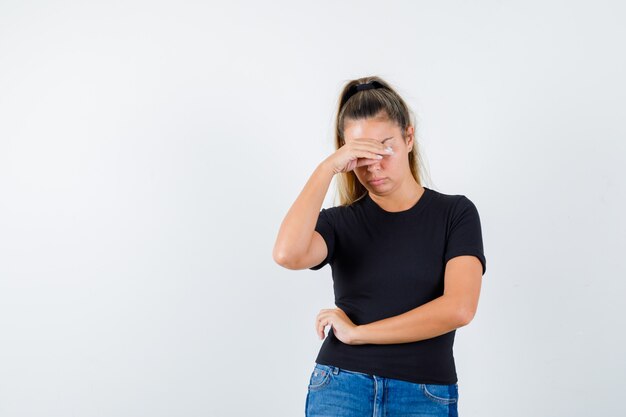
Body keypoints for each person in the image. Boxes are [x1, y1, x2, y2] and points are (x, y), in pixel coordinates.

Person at [272, 76, 486, 417]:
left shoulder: (455, 214)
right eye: (360, 153)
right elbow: (287, 254)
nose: (373, 165)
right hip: (341, 386)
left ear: (408, 137)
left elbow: (459, 308)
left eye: (384, 147)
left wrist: (359, 334)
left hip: (424, 394)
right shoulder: (339, 222)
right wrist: (327, 167)